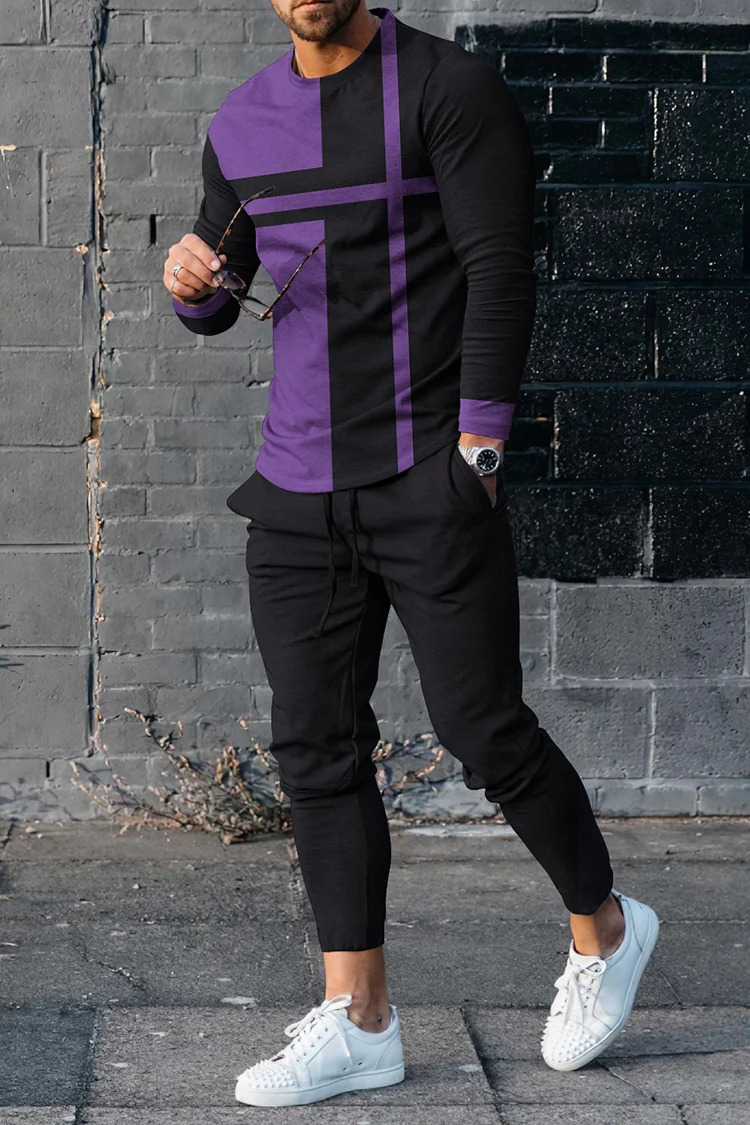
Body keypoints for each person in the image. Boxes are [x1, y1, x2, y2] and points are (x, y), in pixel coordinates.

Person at [161, 0, 659, 1107]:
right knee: (316, 747)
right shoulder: (241, 123)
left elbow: (501, 268)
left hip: (427, 474)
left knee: (484, 730)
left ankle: (608, 927)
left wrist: (477, 453)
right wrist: (193, 285)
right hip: (296, 491)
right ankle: (361, 1021)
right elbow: (227, 290)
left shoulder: (446, 89)